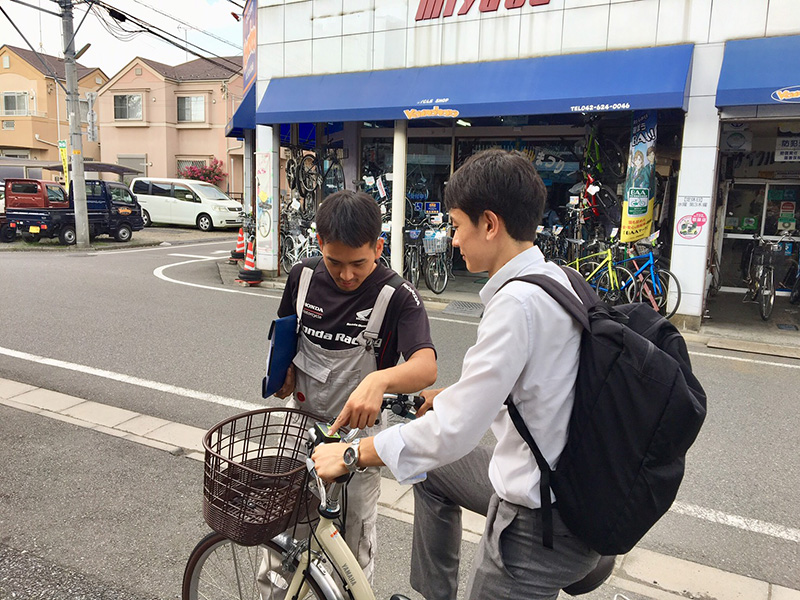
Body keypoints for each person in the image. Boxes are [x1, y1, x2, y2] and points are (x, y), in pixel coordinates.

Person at [314, 149, 601, 600]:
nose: (452, 240)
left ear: (489, 224)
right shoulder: (558, 278)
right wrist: (450, 395)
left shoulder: (517, 305)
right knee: (431, 474)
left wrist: (353, 455)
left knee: (435, 452)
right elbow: (541, 384)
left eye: (456, 225)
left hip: (540, 523)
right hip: (576, 485)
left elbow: (453, 432)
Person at [271, 189, 437, 584]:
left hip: (356, 448)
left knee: (352, 554)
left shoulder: (397, 296)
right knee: (284, 544)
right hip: (299, 431)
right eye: (335, 262)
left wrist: (379, 380)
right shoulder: (303, 276)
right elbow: (283, 332)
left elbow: (426, 366)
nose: (346, 275)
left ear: (379, 247)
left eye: (358, 263)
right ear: (319, 244)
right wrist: (285, 370)